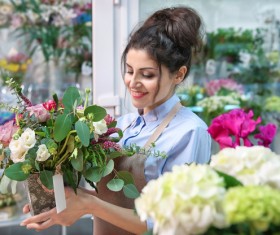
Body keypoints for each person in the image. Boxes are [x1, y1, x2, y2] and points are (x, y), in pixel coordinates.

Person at [20, 6, 211, 235]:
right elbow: (116, 200)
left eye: (147, 75)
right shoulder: (123, 125)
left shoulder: (190, 132)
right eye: (129, 71)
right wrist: (62, 201)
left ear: (179, 74)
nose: (133, 82)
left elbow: (175, 225)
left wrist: (89, 204)